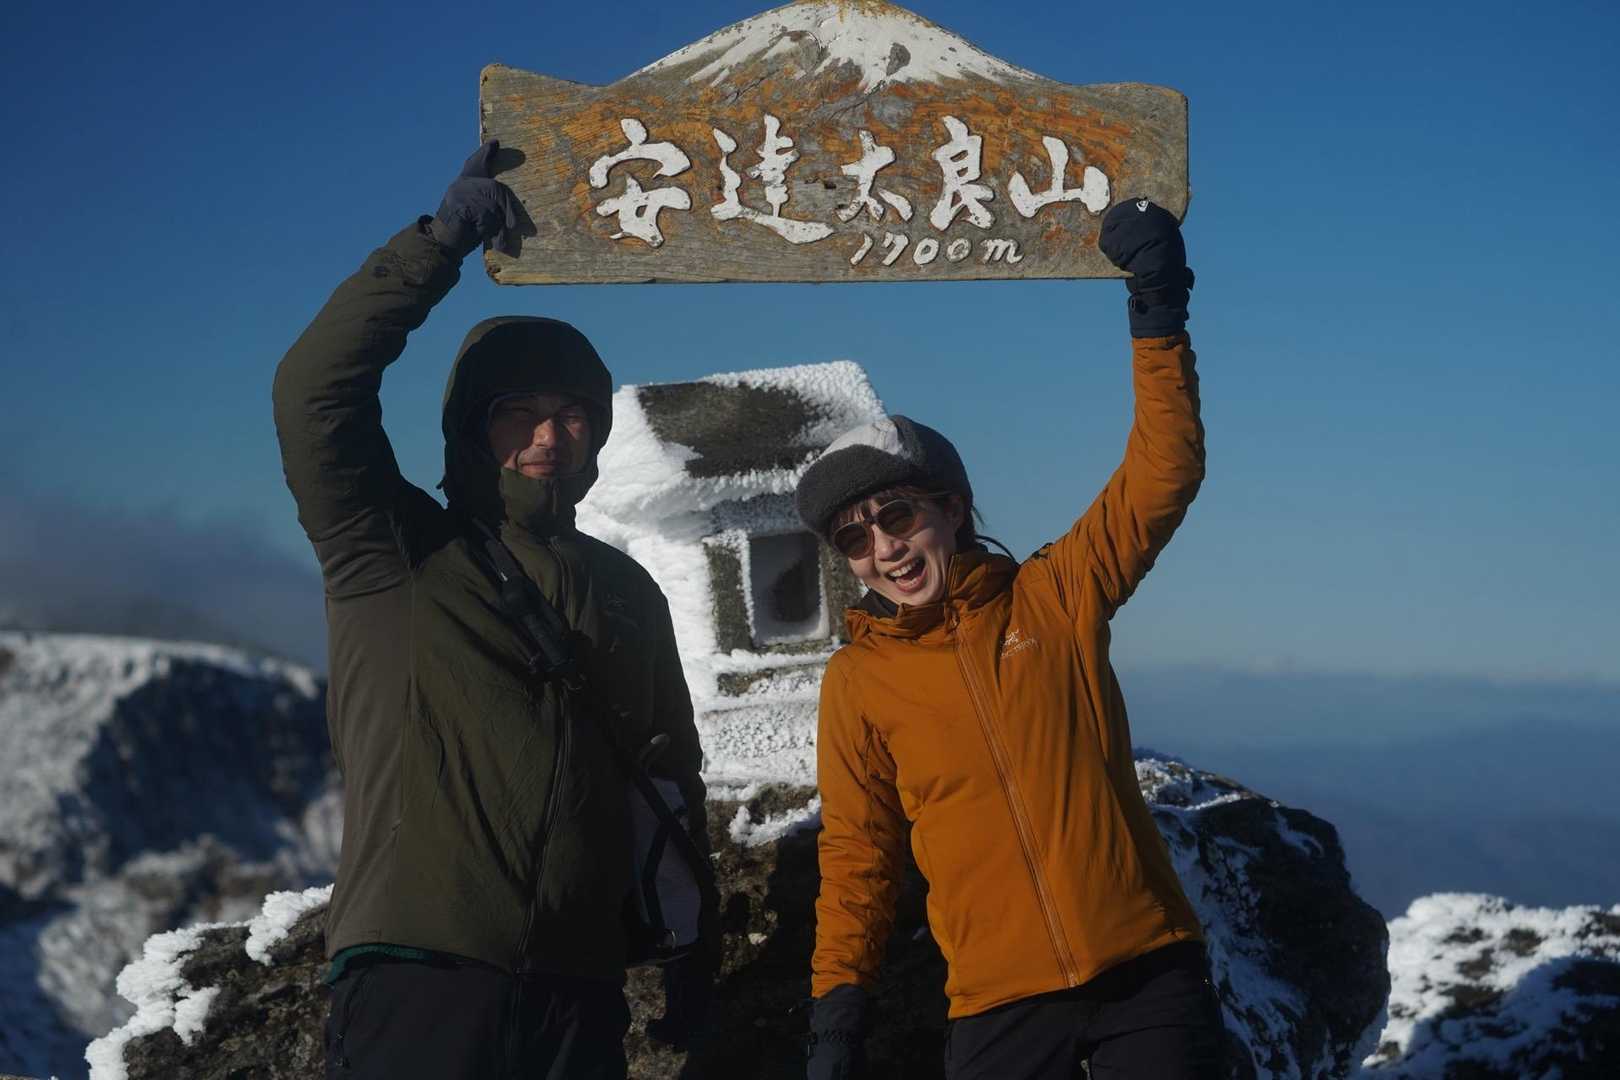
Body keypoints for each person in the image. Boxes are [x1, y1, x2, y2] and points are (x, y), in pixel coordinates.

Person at [272, 143, 714, 1080]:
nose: (551, 434)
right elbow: (313, 396)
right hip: (418, 971)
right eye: (520, 410)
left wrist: (693, 941)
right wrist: (435, 249)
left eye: (575, 413)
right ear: (473, 424)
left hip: (578, 988)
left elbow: (668, 773)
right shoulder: (393, 550)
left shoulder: (626, 589)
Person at [797, 200, 1222, 1079]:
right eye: (854, 538)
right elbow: (858, 852)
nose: (883, 549)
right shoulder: (859, 681)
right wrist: (836, 1011)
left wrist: (1158, 309)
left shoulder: (1054, 596)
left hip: (1147, 972)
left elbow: (1163, 472)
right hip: (997, 1003)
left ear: (951, 510)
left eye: (897, 515)